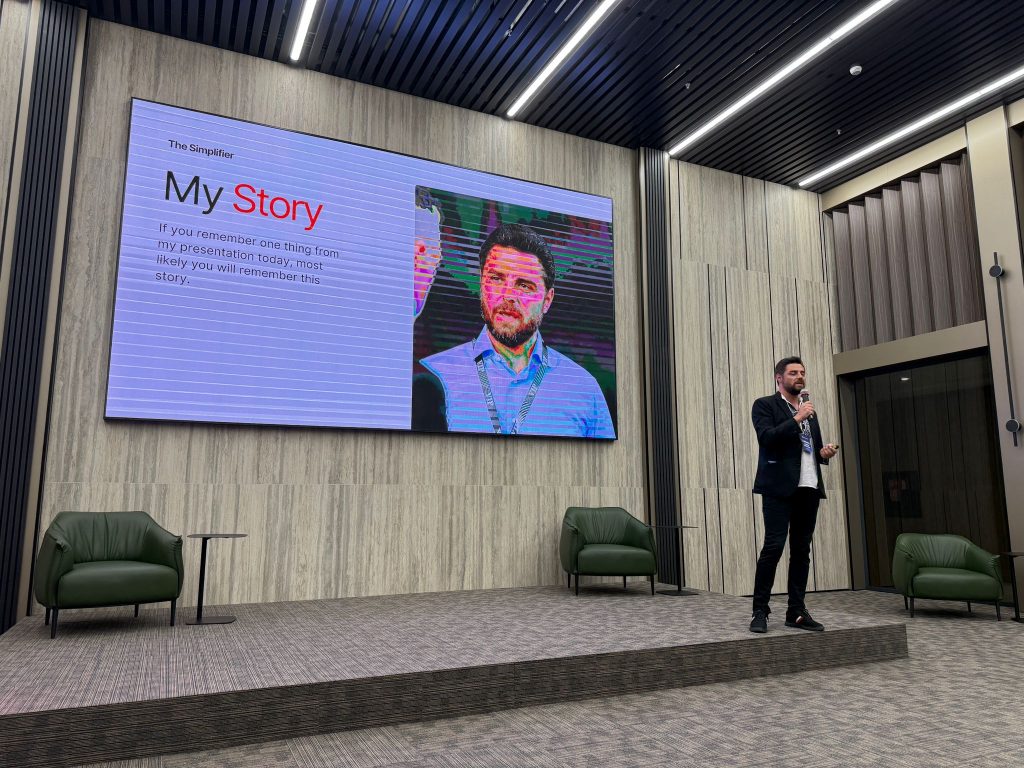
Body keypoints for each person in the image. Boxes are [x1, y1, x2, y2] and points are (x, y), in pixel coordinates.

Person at [415, 221, 615, 438]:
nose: (508, 295)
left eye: (524, 285)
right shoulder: (435, 374)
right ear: (481, 285)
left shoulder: (584, 388)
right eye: (496, 279)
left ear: (547, 300)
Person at [749, 356, 838, 633]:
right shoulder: (765, 405)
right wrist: (797, 417)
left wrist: (824, 453)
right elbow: (767, 438)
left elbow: (810, 448)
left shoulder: (809, 409)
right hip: (778, 488)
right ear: (779, 378)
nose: (799, 377)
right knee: (773, 547)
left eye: (802, 373)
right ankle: (760, 611)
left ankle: (796, 612)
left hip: (808, 487)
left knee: (801, 551)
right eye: (793, 373)